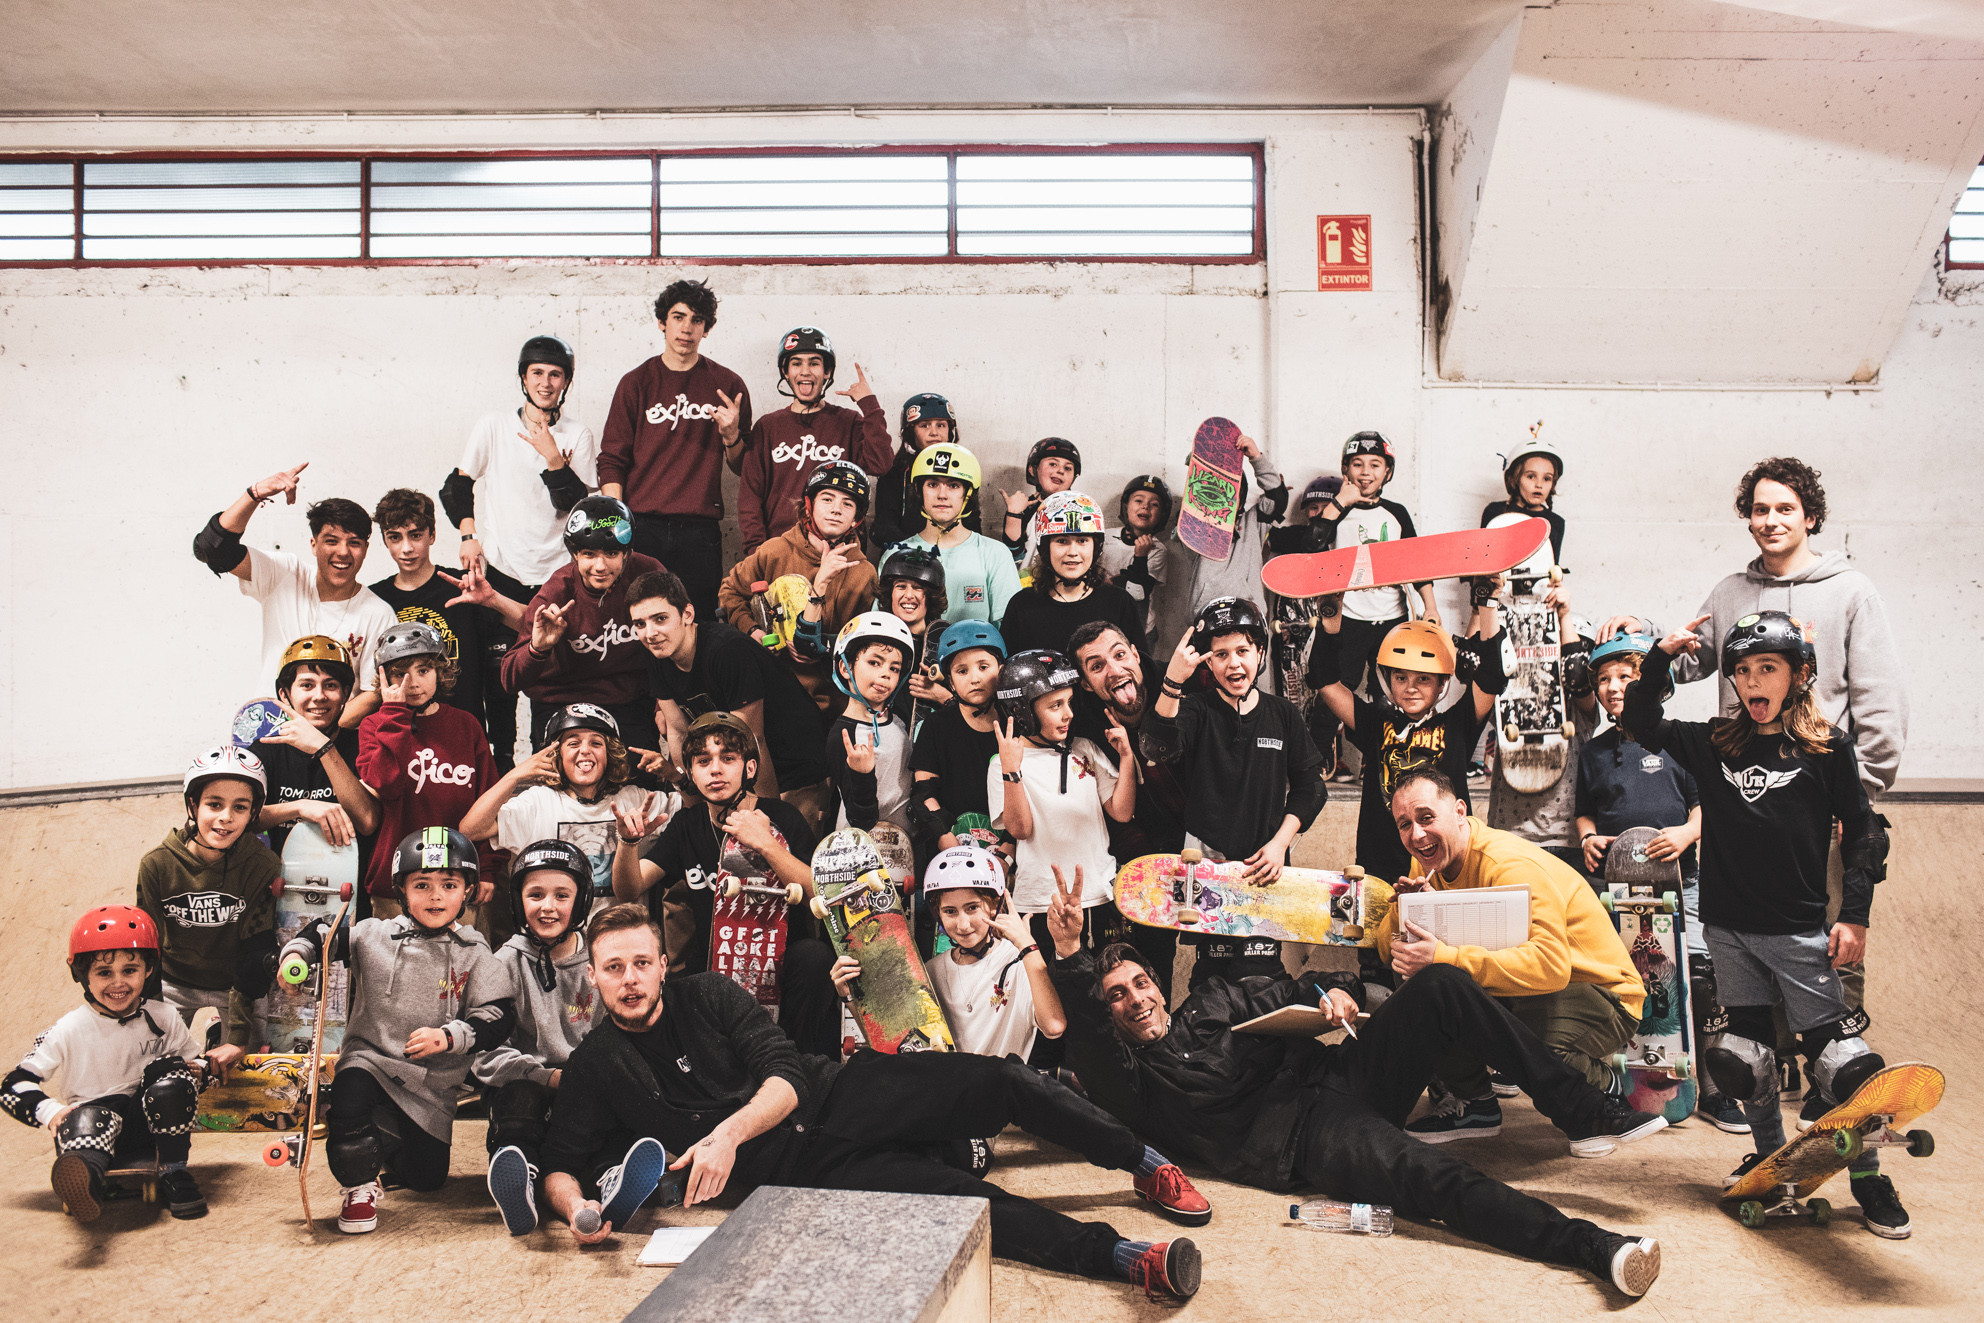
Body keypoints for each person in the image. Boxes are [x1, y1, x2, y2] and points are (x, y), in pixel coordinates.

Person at [538, 902, 1209, 1301]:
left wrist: (725, 1136)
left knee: (1003, 1080)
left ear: (662, 963)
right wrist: (580, 1211)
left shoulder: (709, 993)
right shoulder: (598, 1062)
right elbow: (561, 1161)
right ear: (592, 974)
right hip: (807, 1175)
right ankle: (1128, 1258)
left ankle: (1144, 1162)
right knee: (968, 1207)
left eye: (641, 963)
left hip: (844, 1092)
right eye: (614, 967)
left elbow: (785, 1074)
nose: (629, 980)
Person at [1041, 891, 1668, 1299]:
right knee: (1439, 1178)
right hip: (1307, 1142)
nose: (1137, 1000)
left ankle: (1581, 1111)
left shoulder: (1209, 1004)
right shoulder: (1136, 1087)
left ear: (1158, 983)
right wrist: (1070, 956)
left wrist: (1328, 994)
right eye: (1117, 996)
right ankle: (1593, 1246)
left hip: (1342, 1073)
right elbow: (1092, 1048)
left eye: (1140, 983)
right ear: (1110, 1015)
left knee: (1442, 984)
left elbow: (1288, 987)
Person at [1598, 457, 1905, 1111]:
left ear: (1810, 515)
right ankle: (1765, 1074)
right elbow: (1689, 661)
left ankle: (1836, 1075)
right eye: (1760, 510)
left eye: (1784, 509)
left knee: (1823, 941)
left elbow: (1879, 700)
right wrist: (1643, 637)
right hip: (1741, 793)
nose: (1770, 521)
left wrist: (1860, 797)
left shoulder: (1851, 591)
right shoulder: (1730, 591)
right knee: (1742, 939)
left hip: (1817, 799)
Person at [1623, 610, 1906, 1237]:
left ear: (1798, 676)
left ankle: (1870, 1176)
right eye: (1743, 670)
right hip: (1729, 929)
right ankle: (1769, 1156)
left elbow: (1862, 831)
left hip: (1800, 931)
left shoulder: (1827, 747)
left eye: (1768, 669)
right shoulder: (1714, 742)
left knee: (1841, 1063)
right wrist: (1659, 660)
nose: (1754, 681)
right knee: (1745, 1060)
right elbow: (1639, 721)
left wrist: (1854, 916)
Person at [1374, 770, 1646, 1142]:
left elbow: (1551, 968)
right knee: (1413, 974)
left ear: (1458, 811)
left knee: (1527, 1046)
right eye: (1404, 824)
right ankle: (1475, 1103)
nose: (1416, 834)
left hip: (1604, 995)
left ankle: (1606, 1086)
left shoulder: (1507, 864)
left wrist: (1446, 957)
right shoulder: (1427, 860)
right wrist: (1402, 909)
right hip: (1533, 990)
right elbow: (1386, 951)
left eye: (1426, 817)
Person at [1576, 631, 1747, 1134]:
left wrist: (1688, 832)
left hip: (1684, 880)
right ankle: (1621, 1082)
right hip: (1620, 890)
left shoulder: (1677, 743)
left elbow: (1704, 806)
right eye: (1604, 679)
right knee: (1625, 981)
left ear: (1652, 684)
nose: (1613, 687)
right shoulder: (1595, 752)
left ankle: (1714, 1088)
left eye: (1625, 677)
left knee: (1698, 977)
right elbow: (1586, 813)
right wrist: (1587, 839)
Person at [609, 712, 837, 1057]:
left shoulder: (781, 816)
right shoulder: (687, 824)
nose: (715, 770)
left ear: (749, 768)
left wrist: (765, 843)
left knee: (815, 957)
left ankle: (800, 1068)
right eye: (703, 761)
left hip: (784, 964)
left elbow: (819, 895)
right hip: (716, 966)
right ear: (692, 772)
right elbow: (629, 888)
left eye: (727, 758)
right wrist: (627, 844)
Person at [326, 828, 507, 1234]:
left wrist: (450, 1037)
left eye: (449, 885)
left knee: (427, 1180)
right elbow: (322, 939)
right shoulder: (374, 935)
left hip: (429, 1086)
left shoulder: (474, 950)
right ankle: (358, 1188)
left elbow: (498, 1014)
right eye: (422, 885)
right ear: (402, 891)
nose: (436, 896)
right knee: (351, 1085)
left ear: (468, 891)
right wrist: (294, 957)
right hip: (371, 1060)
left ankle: (384, 1134)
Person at [1143, 597, 1327, 987]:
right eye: (1220, 654)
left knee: (1259, 980)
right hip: (1206, 873)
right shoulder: (1195, 708)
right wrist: (1173, 680)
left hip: (1265, 871)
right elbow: (1156, 748)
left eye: (1243, 651)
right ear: (1208, 663)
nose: (1234, 664)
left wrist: (1280, 844)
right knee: (1209, 983)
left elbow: (1312, 787)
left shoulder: (1283, 714)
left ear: (1260, 652)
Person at [443, 333, 600, 771]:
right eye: (537, 374)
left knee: (550, 675)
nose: (546, 383)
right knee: (499, 681)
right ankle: (501, 770)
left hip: (556, 573)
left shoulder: (577, 435)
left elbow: (579, 510)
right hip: (504, 569)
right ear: (523, 378)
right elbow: (456, 485)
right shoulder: (494, 425)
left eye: (555, 375)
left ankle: (546, 771)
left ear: (566, 381)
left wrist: (554, 459)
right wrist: (467, 535)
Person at [5, 907, 216, 1222]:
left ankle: (174, 1173)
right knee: (89, 1116)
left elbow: (194, 1064)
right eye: (104, 973)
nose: (118, 983)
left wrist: (201, 1069)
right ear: (82, 974)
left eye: (129, 970)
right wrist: (51, 1113)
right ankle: (84, 1181)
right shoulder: (68, 1029)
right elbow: (13, 1085)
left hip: (150, 1124)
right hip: (90, 1131)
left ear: (148, 970)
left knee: (170, 1073)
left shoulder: (164, 1016)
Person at [1307, 608, 1506, 896]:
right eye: (1401, 678)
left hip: (1447, 872)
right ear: (1388, 681)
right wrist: (1331, 614)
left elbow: (1492, 674)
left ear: (1441, 683)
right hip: (1382, 870)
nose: (1410, 688)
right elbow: (1325, 680)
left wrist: (1487, 603)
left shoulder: (1457, 724)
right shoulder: (1376, 724)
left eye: (1423, 679)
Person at [191, 464, 399, 722]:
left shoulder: (378, 613)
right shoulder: (284, 575)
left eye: (354, 543)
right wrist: (254, 494)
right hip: (268, 729)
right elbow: (213, 549)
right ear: (314, 545)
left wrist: (317, 736)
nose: (343, 552)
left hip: (332, 743)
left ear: (366, 548)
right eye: (331, 541)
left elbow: (372, 693)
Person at [598, 278, 751, 623]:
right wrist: (618, 525)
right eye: (679, 317)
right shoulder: (635, 382)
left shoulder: (728, 385)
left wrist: (731, 436)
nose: (686, 328)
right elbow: (611, 460)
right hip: (642, 526)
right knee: (636, 623)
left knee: (696, 625)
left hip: (699, 531)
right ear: (661, 322)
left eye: (697, 320)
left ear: (707, 329)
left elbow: (744, 466)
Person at [633, 569, 833, 833]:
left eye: (660, 619)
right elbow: (678, 731)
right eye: (640, 624)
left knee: (781, 857)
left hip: (796, 771)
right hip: (741, 767)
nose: (650, 633)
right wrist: (695, 809)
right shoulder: (658, 652)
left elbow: (752, 740)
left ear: (687, 615)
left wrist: (768, 826)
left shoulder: (727, 651)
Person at [476, 839, 604, 1236]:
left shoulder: (600, 962)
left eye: (561, 895)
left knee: (603, 1125)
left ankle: (606, 1179)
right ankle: (519, 1177)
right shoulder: (503, 963)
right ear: (518, 902)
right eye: (535, 895)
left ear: (581, 902)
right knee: (519, 1103)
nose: (548, 906)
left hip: (586, 1084)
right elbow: (484, 1053)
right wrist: (544, 1076)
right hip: (529, 1080)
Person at [989, 649, 1136, 955]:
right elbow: (1020, 829)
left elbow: (1121, 812)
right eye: (1055, 705)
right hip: (1042, 900)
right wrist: (1011, 770)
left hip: (1100, 894)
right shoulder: (1002, 762)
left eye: (1069, 702)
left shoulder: (1084, 748)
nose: (1068, 713)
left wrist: (1126, 757)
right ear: (1021, 712)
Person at [1067, 619, 1185, 997]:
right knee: (1125, 973)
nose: (1115, 670)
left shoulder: (1180, 690)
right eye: (1097, 665)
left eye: (1120, 655)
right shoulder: (1082, 723)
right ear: (1086, 683)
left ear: (1136, 653)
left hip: (1195, 851)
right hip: (1128, 867)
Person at [135, 747, 280, 1052]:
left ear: (253, 813)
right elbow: (147, 948)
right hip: (173, 981)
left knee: (244, 1073)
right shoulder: (157, 864)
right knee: (153, 1066)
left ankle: (220, 1032)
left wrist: (239, 1039)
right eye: (214, 804)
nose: (225, 818)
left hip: (235, 985)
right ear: (193, 805)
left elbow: (254, 951)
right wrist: (150, 1021)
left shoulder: (262, 864)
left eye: (240, 808)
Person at [499, 494, 668, 755]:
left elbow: (676, 641)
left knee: (642, 779)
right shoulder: (557, 592)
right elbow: (509, 679)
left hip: (628, 701)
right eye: (589, 554)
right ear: (575, 554)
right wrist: (538, 649)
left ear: (627, 553)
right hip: (560, 700)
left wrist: (664, 702)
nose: (600, 566)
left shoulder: (648, 575)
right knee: (558, 787)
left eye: (611, 553)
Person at [460, 702, 674, 901]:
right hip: (552, 932)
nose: (585, 750)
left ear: (610, 754)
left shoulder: (635, 799)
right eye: (573, 743)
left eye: (596, 743)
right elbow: (471, 829)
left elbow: (696, 813)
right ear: (556, 754)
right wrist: (514, 776)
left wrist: (675, 775)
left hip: (621, 934)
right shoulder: (538, 802)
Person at [356, 622, 499, 918]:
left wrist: (486, 866)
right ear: (383, 678)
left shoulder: (466, 725)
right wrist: (394, 715)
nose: (413, 683)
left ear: (440, 672)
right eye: (399, 674)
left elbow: (489, 799)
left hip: (457, 879)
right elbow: (386, 783)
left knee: (462, 963)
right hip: (394, 884)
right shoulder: (373, 726)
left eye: (423, 671)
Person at [370, 487, 528, 748]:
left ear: (432, 535)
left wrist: (492, 600)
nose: (406, 548)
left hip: (462, 737)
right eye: (395, 537)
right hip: (401, 738)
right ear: (385, 541)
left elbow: (530, 627)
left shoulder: (464, 586)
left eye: (416, 535)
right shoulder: (376, 599)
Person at [724, 458, 877, 711]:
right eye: (827, 499)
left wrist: (822, 646)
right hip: (773, 689)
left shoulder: (864, 572)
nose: (836, 509)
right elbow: (729, 592)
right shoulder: (774, 551)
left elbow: (865, 642)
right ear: (809, 505)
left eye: (847, 504)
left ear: (856, 519)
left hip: (835, 699)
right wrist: (753, 631)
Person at [1303, 431, 1440, 710]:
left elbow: (1417, 563)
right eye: (1357, 464)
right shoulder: (1336, 511)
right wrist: (1341, 501)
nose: (1366, 472)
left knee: (1389, 699)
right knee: (1333, 695)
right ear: (1345, 469)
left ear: (1387, 472)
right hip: (1348, 619)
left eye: (1375, 464)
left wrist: (1431, 607)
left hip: (1392, 619)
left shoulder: (1396, 513)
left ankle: (1379, 755)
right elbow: (1311, 545)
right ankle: (1321, 754)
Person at [736, 327, 892, 553]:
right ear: (785, 371)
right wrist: (757, 551)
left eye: (814, 363)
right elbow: (750, 497)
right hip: (780, 550)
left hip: (839, 550)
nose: (805, 371)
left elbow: (882, 464)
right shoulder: (767, 427)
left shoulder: (849, 422)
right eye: (797, 363)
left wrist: (869, 404)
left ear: (827, 371)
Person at [1485, 595, 1600, 870]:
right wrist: (1485, 606)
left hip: (1566, 839)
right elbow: (1484, 669)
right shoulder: (1507, 700)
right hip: (1510, 835)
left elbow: (1577, 675)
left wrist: (1563, 617)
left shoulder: (1582, 710)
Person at [1153, 427, 1287, 650]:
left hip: (1249, 616)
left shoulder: (1255, 520)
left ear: (1241, 496)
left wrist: (1256, 458)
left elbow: (1278, 497)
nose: (1220, 497)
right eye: (1212, 491)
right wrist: (1201, 465)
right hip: (1206, 614)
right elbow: (1194, 505)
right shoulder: (1191, 522)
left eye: (1228, 492)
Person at [249, 635, 380, 855]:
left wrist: (324, 748)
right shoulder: (266, 748)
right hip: (286, 880)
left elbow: (367, 821)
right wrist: (299, 807)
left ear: (346, 694)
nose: (319, 696)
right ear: (285, 694)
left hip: (352, 880)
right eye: (307, 685)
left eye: (330, 685)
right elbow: (239, 818)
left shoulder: (365, 745)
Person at [909, 621, 1009, 863]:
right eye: (962, 671)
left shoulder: (1016, 723)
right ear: (951, 682)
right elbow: (923, 794)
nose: (975, 678)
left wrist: (1008, 852)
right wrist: (946, 839)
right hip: (952, 844)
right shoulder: (936, 726)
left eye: (984, 667)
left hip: (1012, 845)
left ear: (1001, 670)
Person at [887, 442, 1020, 624]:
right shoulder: (896, 553)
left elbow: (1009, 629)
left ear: (968, 493)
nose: (942, 495)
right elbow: (884, 627)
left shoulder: (995, 554)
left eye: (954, 485)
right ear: (919, 491)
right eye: (932, 484)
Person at [999, 492, 1146, 657]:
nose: (1073, 552)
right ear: (1045, 548)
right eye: (1062, 541)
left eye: (1082, 541)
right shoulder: (1022, 605)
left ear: (1095, 547)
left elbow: (1140, 667)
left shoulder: (1119, 602)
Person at [823, 612, 918, 834]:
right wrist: (862, 774)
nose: (885, 674)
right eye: (874, 662)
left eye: (894, 668)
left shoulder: (900, 721)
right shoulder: (843, 736)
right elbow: (860, 818)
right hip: (864, 850)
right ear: (845, 668)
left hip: (906, 848)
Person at [873, 392, 978, 549]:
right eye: (924, 425)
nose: (934, 432)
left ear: (951, 430)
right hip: (906, 557)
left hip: (953, 553)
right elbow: (883, 527)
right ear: (910, 431)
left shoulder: (963, 469)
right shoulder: (894, 472)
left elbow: (972, 523)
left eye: (941, 425)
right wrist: (917, 552)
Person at [867, 545, 953, 733]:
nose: (908, 595)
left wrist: (943, 697)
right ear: (890, 592)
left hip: (929, 744)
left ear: (930, 596)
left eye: (917, 588)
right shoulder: (870, 641)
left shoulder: (948, 648)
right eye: (901, 586)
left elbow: (973, 713)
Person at [1481, 430, 1568, 565]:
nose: (1539, 485)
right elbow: (1480, 563)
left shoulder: (1556, 523)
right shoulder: (1495, 512)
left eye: (1547, 478)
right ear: (1515, 479)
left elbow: (1552, 570)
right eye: (1530, 476)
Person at [1100, 475, 1171, 638]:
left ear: (1162, 514)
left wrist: (1140, 556)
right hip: (1104, 625)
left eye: (1154, 505)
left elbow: (1137, 592)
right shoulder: (1105, 537)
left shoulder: (1157, 549)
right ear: (1126, 506)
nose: (1145, 507)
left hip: (1141, 629)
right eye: (1138, 501)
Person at [1000, 437, 1082, 569]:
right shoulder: (1024, 507)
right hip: (1028, 584)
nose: (1060, 471)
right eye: (1053, 464)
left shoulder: (1079, 510)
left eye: (1067, 468)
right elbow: (1013, 556)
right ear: (1033, 469)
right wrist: (1014, 515)